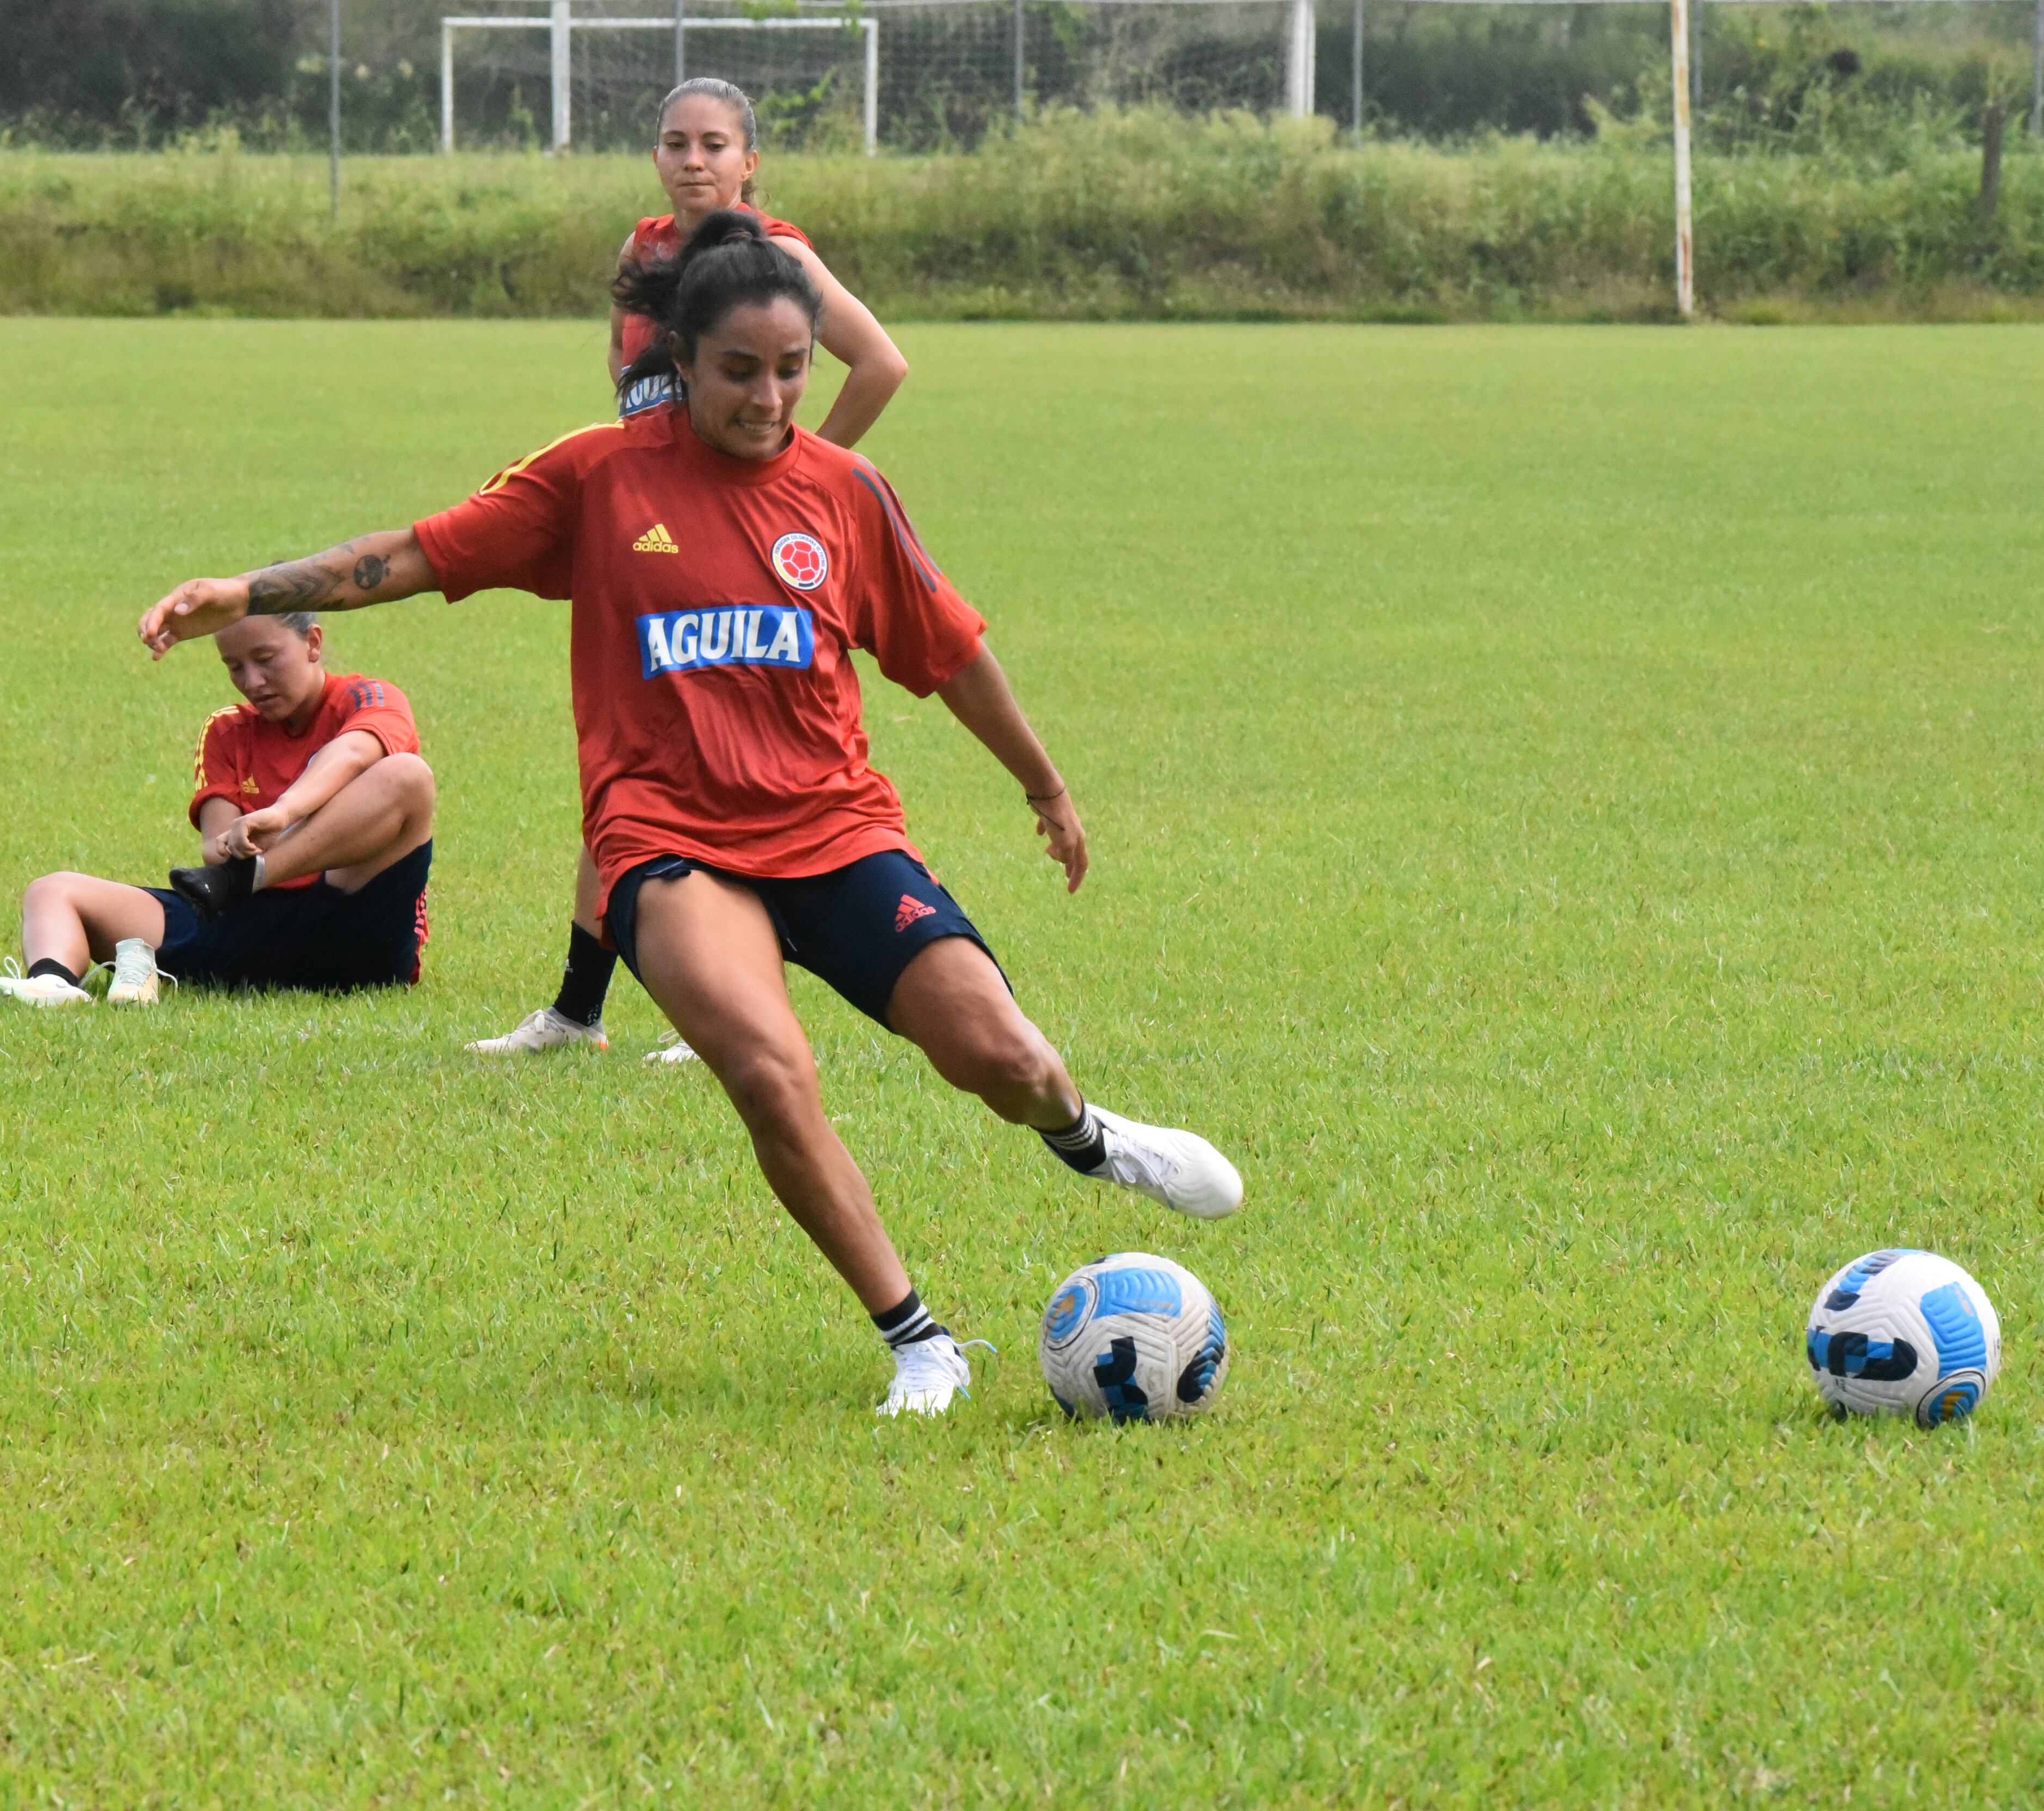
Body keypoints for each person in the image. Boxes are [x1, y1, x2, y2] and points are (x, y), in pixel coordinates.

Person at [135, 213, 1241, 1417]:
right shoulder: (599, 476)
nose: (769, 399)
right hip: (665, 839)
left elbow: (952, 651)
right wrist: (246, 591)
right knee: (769, 1070)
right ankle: (922, 1344)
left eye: (792, 370)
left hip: (835, 828)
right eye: (739, 371)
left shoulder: (847, 492)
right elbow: (409, 554)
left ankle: (1089, 1139)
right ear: (681, 354)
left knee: (1002, 1057)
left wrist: (1045, 784)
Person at [471, 75, 910, 1063]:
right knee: (631, 771)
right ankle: (577, 1012)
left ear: (750, 161)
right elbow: (625, 372)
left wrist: (800, 478)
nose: (694, 160)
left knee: (743, 773)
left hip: (745, 550)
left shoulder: (778, 257)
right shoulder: (643, 251)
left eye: (716, 144)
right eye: (677, 142)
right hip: (653, 548)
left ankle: (734, 1002)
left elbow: (881, 362)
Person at [0, 613, 435, 1006]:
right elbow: (216, 853)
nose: (252, 681)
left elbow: (355, 752)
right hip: (245, 928)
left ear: (313, 642)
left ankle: (256, 876)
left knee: (408, 776)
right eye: (234, 666)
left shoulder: (368, 698)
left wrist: (283, 814)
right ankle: (52, 987)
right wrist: (238, 848)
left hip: (352, 933)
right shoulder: (227, 730)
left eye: (266, 659)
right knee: (53, 890)